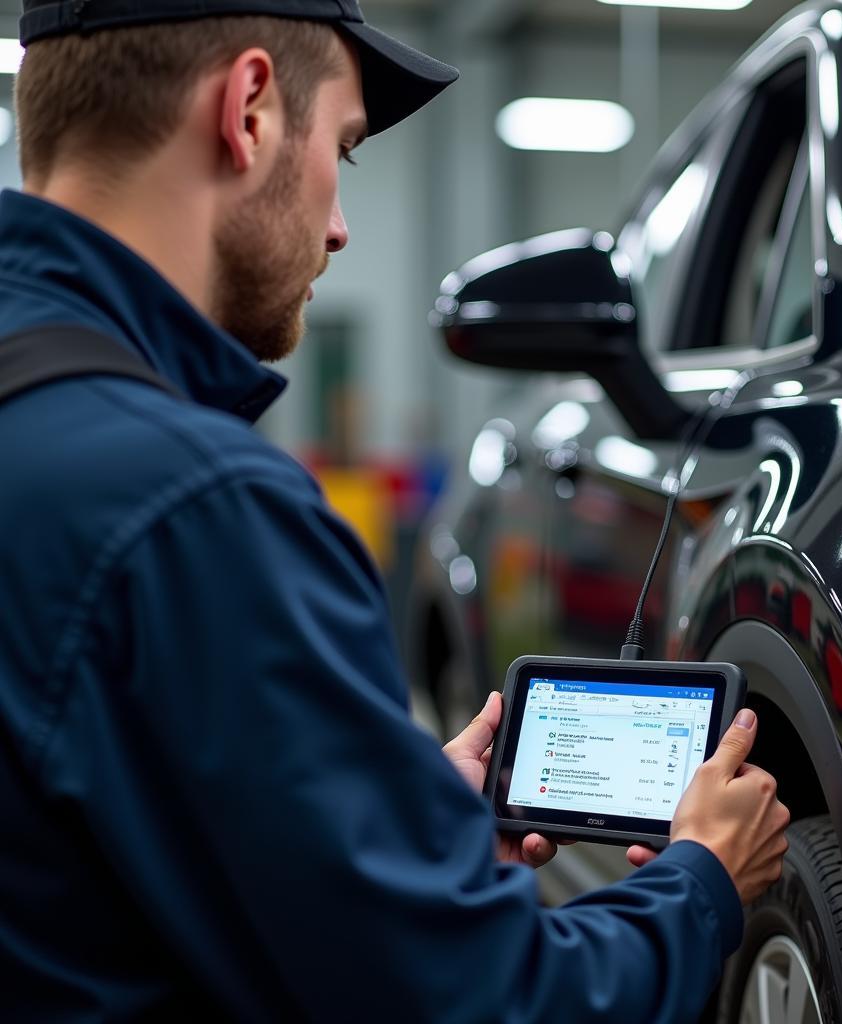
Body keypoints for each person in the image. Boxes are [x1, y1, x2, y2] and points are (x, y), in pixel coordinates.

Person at [0, 1, 790, 1020]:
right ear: (248, 112)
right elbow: (483, 1002)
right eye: (345, 149)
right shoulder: (200, 513)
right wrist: (703, 882)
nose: (336, 225)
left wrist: (367, 819)